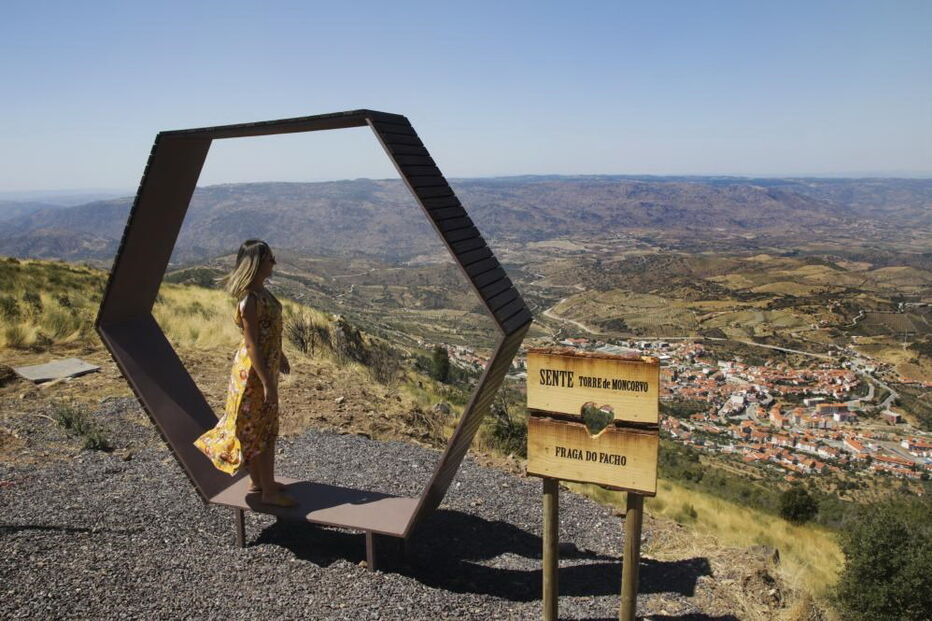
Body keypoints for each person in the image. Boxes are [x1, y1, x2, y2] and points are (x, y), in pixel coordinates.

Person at [194, 239, 296, 507]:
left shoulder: (261, 292)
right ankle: (269, 493)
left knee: (258, 427)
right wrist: (267, 383)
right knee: (263, 428)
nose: (274, 262)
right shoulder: (251, 298)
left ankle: (260, 483)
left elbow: (266, 333)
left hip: (262, 366)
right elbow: (251, 343)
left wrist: (280, 354)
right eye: (270, 258)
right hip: (253, 373)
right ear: (257, 263)